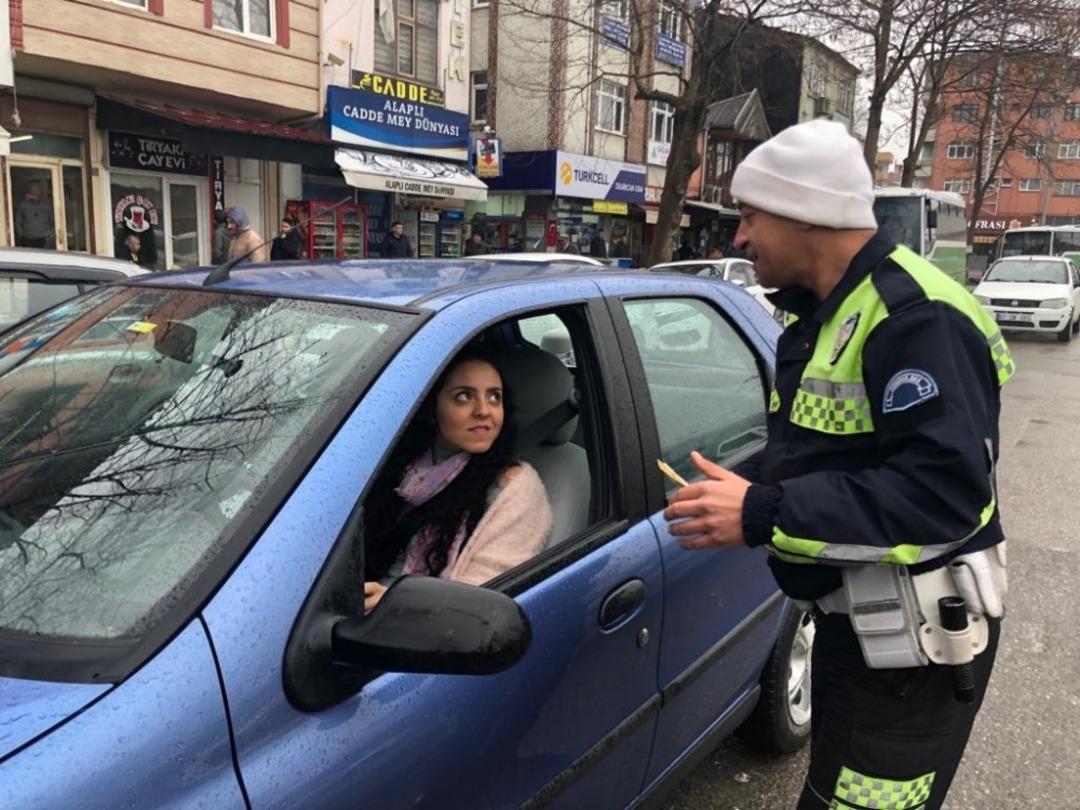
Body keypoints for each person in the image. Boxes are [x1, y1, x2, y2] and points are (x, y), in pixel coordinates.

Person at [662, 119, 1011, 810]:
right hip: (863, 631)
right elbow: (833, 452)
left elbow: (943, 496)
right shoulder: (824, 314)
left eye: (749, 216)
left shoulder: (914, 318)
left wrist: (761, 512)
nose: (737, 239)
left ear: (805, 212)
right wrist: (750, 485)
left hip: (914, 652)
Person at [362, 348, 553, 613]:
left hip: (424, 622)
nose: (484, 411)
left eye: (494, 397)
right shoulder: (403, 465)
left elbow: (484, 601)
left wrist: (394, 601)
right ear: (431, 407)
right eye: (464, 396)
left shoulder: (514, 488)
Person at [15, 181, 54, 248]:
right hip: (28, 238)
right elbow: (18, 222)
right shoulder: (22, 205)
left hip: (44, 238)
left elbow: (53, 221)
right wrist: (21, 235)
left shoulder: (46, 206)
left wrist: (50, 233)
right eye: (33, 191)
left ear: (41, 193)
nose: (35, 193)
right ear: (29, 192)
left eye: (37, 191)